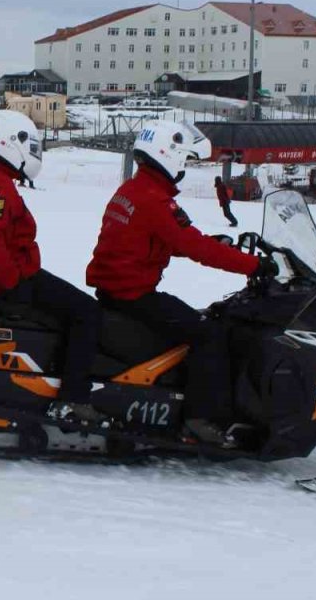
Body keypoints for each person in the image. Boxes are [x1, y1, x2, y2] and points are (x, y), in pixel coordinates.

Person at [86, 120, 275, 447]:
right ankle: (199, 419)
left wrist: (211, 243)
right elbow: (194, 246)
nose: (184, 169)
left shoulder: (133, 190)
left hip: (117, 290)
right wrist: (254, 265)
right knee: (209, 334)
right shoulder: (155, 200)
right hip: (133, 295)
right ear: (168, 156)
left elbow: (155, 239)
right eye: (185, 160)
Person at [0, 111, 105, 425]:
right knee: (87, 312)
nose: (32, 153)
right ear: (8, 143)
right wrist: (13, 283)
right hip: (10, 281)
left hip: (6, 276)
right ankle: (73, 398)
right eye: (27, 144)